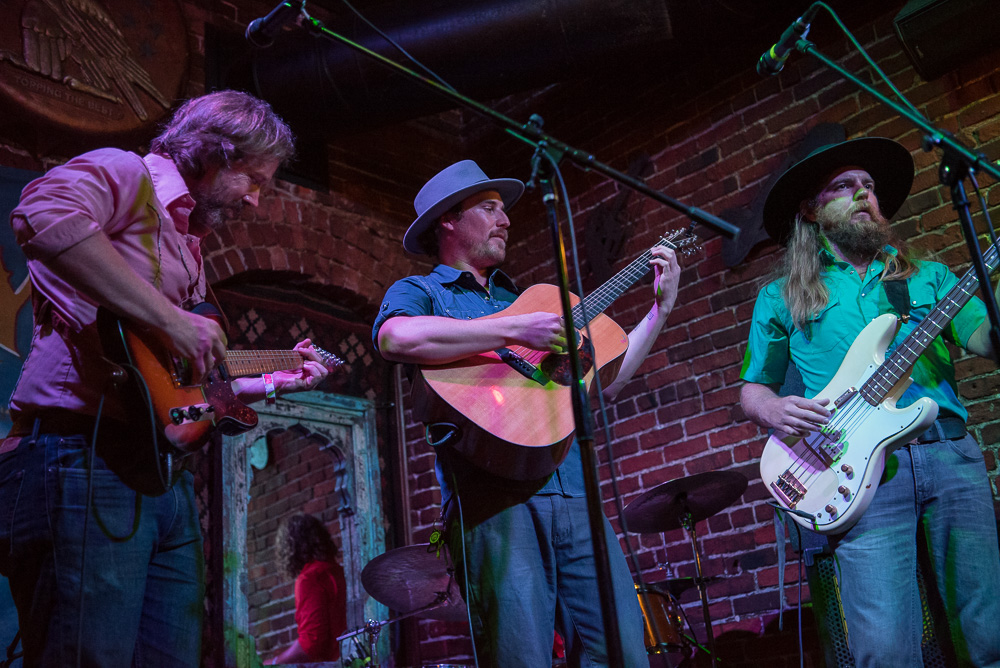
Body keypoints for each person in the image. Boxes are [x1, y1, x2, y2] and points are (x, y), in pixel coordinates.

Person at [0, 90, 330, 667]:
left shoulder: (190, 243)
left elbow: (180, 388)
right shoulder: (127, 173)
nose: (255, 201)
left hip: (160, 476)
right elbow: (41, 213)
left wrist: (277, 380)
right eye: (253, 179)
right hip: (84, 458)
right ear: (212, 155)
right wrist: (169, 318)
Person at [372, 160, 681, 667]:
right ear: (448, 219)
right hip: (494, 502)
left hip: (575, 494)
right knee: (520, 658)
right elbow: (395, 337)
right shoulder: (422, 293)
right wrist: (515, 332)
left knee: (625, 652)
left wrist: (658, 311)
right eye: (490, 207)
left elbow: (602, 382)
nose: (506, 219)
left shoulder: (528, 302)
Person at [739, 136, 1000, 667]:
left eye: (870, 186)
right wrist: (774, 410)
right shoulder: (781, 295)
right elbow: (752, 388)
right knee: (884, 649)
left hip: (949, 456)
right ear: (812, 210)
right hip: (857, 471)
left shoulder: (928, 278)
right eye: (844, 186)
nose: (863, 194)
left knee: (987, 631)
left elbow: (987, 341)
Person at [265, 513, 348, 665]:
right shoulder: (340, 572)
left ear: (290, 547)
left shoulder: (310, 578)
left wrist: (273, 662)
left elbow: (312, 644)